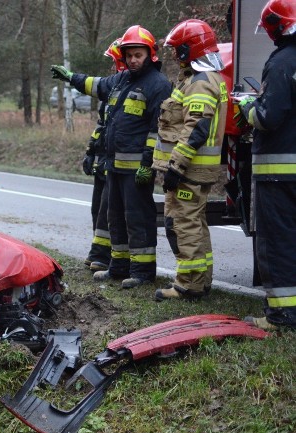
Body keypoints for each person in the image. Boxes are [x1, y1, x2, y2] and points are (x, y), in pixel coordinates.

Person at [52, 25, 172, 289]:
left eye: (138, 54)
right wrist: (70, 77)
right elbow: (95, 85)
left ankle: (142, 271)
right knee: (115, 217)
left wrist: (148, 163)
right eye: (129, 55)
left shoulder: (159, 85)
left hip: (136, 169)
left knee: (137, 218)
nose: (132, 59)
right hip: (114, 166)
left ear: (150, 54)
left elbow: (159, 128)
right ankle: (118, 266)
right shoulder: (121, 80)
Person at [152, 19, 228, 301]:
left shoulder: (199, 83)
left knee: (184, 223)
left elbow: (196, 128)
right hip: (196, 170)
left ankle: (188, 284)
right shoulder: (201, 78)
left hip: (190, 170)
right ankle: (201, 281)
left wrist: (175, 166)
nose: (174, 55)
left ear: (189, 49)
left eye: (177, 49)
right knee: (195, 222)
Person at [238, 0, 296, 331]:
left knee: (277, 242)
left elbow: (267, 117)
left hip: (279, 173)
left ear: (276, 26)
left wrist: (248, 107)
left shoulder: (281, 62)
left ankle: (282, 316)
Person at [82, 38, 127, 272]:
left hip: (118, 162)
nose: (111, 66)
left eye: (113, 61)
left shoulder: (126, 90)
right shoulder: (114, 89)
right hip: (103, 159)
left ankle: (104, 256)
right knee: (97, 208)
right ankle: (98, 252)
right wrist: (90, 152)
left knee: (107, 212)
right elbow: (102, 126)